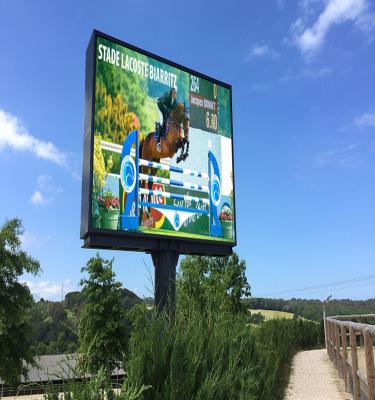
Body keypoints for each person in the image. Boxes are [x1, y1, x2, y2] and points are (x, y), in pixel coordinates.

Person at [155, 87, 177, 152]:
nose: (175, 94)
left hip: (166, 112)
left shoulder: (175, 101)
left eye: (176, 93)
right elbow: (161, 101)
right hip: (161, 108)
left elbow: (172, 110)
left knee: (168, 122)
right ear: (171, 92)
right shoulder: (167, 94)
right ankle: (158, 143)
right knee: (162, 122)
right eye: (174, 93)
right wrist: (166, 109)